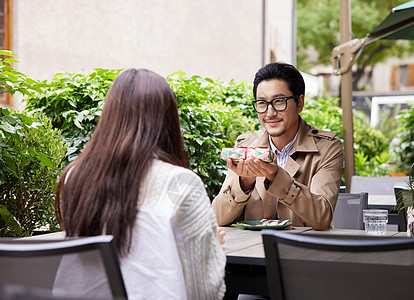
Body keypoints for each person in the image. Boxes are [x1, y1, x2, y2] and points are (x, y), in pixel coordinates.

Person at [54, 69, 226, 300]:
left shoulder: (75, 176)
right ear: (168, 121)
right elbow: (205, 292)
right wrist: (212, 247)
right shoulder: (181, 183)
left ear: (109, 116)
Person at [212, 62, 344, 230]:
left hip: (303, 250)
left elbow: (321, 218)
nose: (270, 113)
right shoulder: (245, 146)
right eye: (262, 103)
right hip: (250, 252)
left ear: (300, 103)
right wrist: (244, 183)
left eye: (279, 101)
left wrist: (276, 176)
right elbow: (217, 217)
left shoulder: (327, 148)